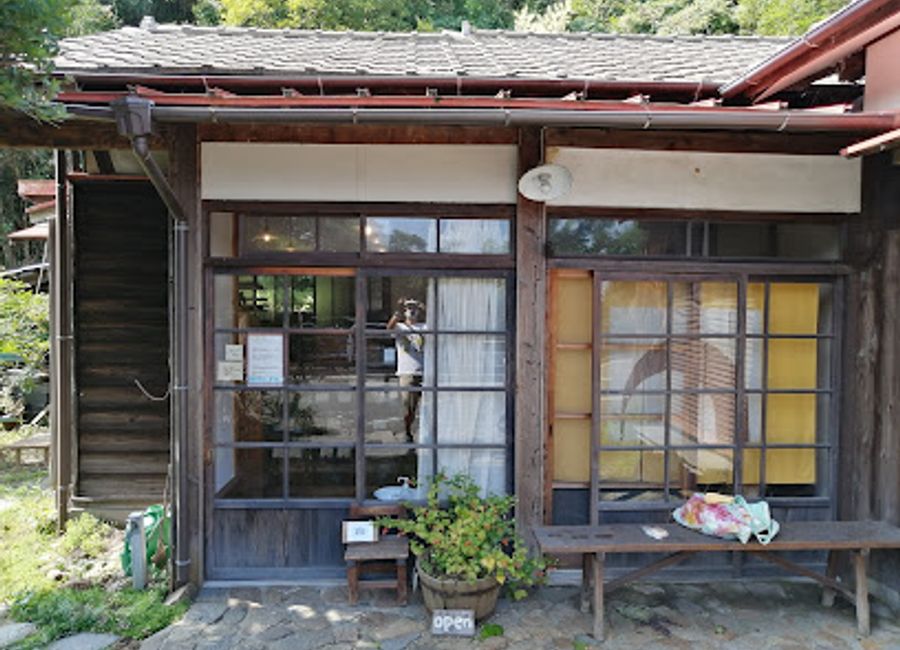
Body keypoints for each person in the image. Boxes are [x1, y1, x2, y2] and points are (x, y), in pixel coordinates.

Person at [387, 298, 425, 442]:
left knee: (427, 406)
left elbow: (438, 324)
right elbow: (389, 328)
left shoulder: (424, 327)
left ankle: (424, 432)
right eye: (409, 308)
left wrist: (425, 308)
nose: (412, 310)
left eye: (414, 308)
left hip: (424, 372)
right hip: (407, 373)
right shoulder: (400, 328)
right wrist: (397, 311)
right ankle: (407, 431)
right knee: (408, 407)